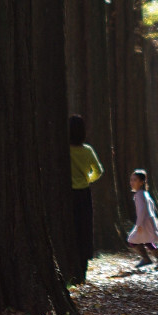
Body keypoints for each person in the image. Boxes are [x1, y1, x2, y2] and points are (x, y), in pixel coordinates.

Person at [69, 114, 104, 280]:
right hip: (83, 193)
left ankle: (69, 266)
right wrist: (87, 179)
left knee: (71, 230)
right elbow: (98, 171)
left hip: (67, 195)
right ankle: (82, 270)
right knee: (84, 230)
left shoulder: (64, 150)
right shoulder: (87, 150)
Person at [127, 168, 158, 271]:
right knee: (147, 242)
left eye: (135, 180)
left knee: (133, 240)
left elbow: (142, 210)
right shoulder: (143, 193)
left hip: (144, 223)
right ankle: (157, 262)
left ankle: (150, 260)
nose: (132, 182)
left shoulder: (140, 194)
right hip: (147, 221)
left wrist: (139, 225)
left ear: (141, 182)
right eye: (131, 180)